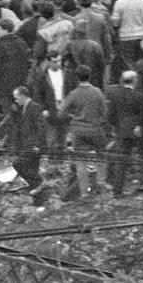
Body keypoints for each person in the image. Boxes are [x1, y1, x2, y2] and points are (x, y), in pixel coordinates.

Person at [58, 64, 107, 198]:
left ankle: (85, 192)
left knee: (81, 162)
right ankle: (101, 186)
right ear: (89, 76)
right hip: (96, 129)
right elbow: (105, 112)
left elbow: (61, 113)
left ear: (76, 78)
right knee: (101, 157)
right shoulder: (97, 92)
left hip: (78, 131)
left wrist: (73, 117)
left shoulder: (73, 94)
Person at [105, 70, 143, 197]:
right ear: (135, 80)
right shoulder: (139, 95)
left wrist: (115, 126)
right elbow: (142, 114)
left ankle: (116, 189)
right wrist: (139, 126)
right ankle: (142, 183)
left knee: (121, 160)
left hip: (121, 130)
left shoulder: (115, 94)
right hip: (136, 130)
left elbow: (110, 114)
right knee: (142, 156)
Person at [9, 86, 46, 197]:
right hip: (27, 144)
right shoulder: (23, 108)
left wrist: (38, 145)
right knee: (32, 168)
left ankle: (39, 183)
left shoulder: (34, 107)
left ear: (23, 96)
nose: (16, 100)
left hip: (33, 145)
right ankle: (37, 192)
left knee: (18, 164)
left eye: (16, 98)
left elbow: (41, 127)